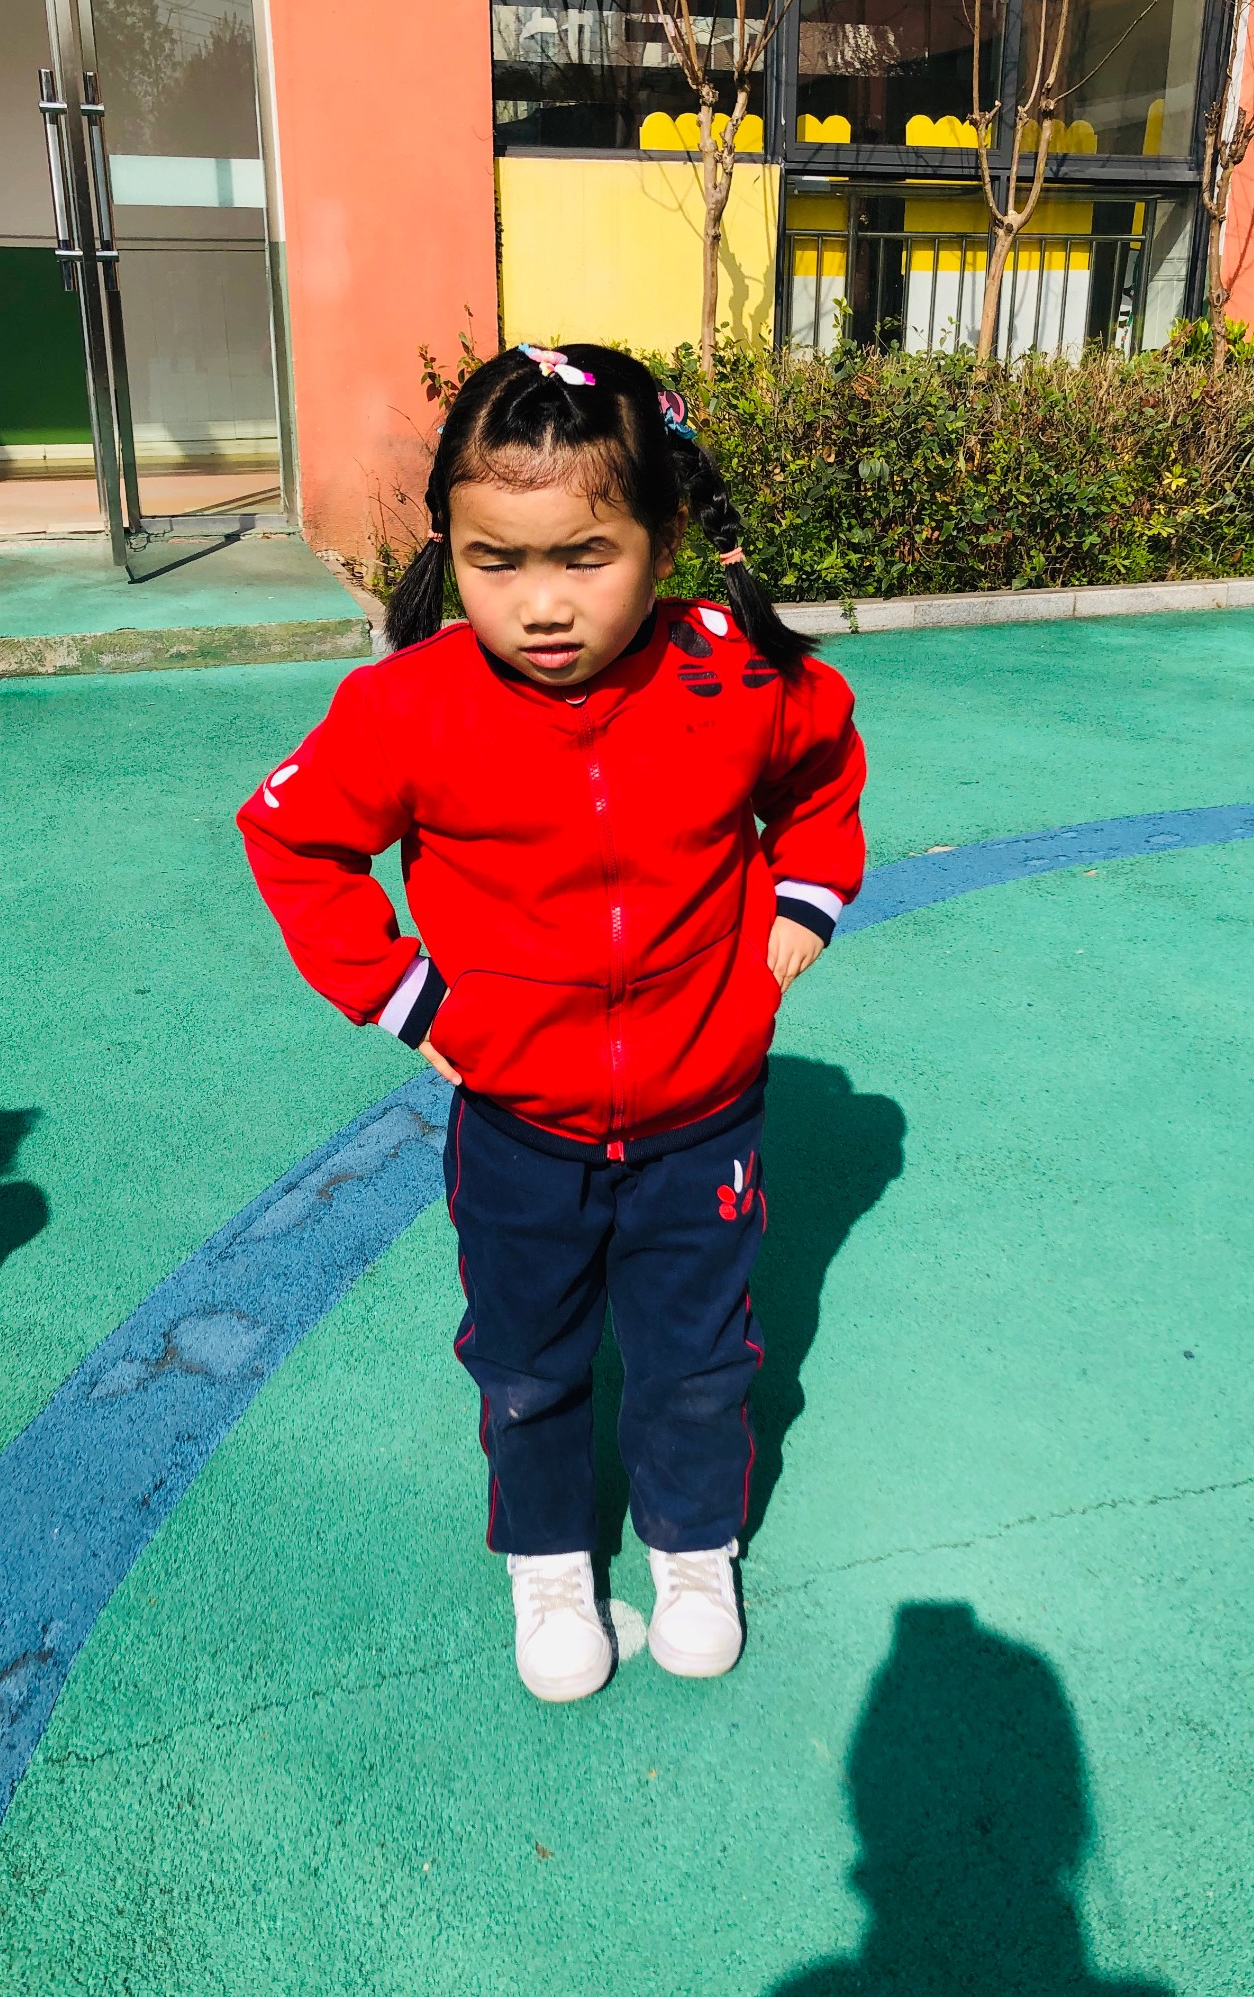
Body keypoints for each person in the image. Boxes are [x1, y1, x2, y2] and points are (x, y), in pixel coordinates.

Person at [236, 341, 866, 1703]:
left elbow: (822, 762)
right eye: (495, 559)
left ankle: (692, 1550)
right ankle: (549, 1563)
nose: (540, 602)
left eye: (586, 555)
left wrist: (805, 899)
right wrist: (399, 992)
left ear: (666, 538)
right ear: (449, 548)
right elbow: (291, 837)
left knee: (700, 1358)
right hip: (521, 1126)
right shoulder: (407, 707)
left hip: (704, 1116)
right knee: (527, 1362)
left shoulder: (733, 674)